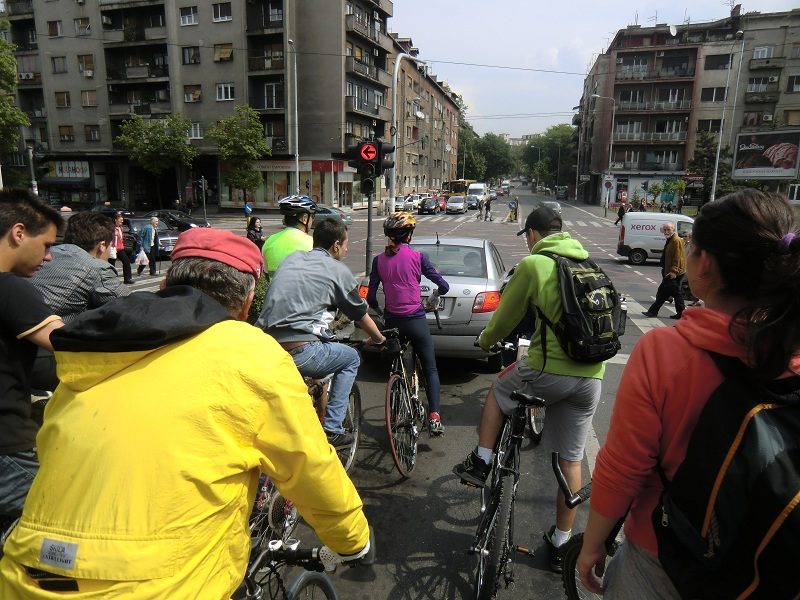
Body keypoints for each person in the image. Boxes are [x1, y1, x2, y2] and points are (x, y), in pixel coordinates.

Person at [0, 228, 371, 599]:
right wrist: (354, 542)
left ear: (166, 284)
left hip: (23, 572)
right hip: (156, 585)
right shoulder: (249, 353)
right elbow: (309, 466)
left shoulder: (96, 351)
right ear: (247, 301)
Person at [576, 190, 800, 597]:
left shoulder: (666, 353)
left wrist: (592, 545)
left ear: (707, 263)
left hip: (668, 558)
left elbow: (624, 468)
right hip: (774, 562)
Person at [453, 206, 604, 572]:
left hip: (547, 369)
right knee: (570, 460)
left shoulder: (534, 266)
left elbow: (505, 317)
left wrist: (487, 341)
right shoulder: (588, 265)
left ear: (533, 234)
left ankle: (481, 461)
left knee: (497, 392)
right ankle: (560, 544)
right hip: (592, 376)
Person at [257, 219, 385, 445]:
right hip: (301, 350)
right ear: (336, 245)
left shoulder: (292, 259)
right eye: (345, 245)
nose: (346, 250)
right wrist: (378, 338)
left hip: (265, 346)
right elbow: (360, 314)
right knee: (350, 359)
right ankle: (333, 427)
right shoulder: (338, 270)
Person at [0, 189, 64, 520]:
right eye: (47, 245)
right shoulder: (10, 287)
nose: (50, 257)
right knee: (55, 527)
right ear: (19, 232)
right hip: (8, 448)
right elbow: (70, 342)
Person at [367, 212, 450, 435]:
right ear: (409, 236)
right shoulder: (418, 257)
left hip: (393, 321)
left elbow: (371, 298)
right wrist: (433, 297)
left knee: (395, 366)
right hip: (416, 319)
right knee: (431, 368)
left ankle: (396, 411)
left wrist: (383, 313)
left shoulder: (379, 260)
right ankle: (434, 416)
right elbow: (444, 286)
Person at [32, 211, 130, 323]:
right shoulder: (96, 268)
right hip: (50, 335)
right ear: (102, 246)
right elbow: (133, 308)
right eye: (110, 245)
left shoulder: (49, 254)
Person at [641, 222, 686, 320]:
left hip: (674, 273)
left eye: (668, 229)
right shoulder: (670, 239)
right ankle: (680, 314)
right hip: (670, 271)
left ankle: (653, 312)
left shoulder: (676, 241)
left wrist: (674, 271)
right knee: (669, 293)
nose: (666, 231)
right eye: (665, 230)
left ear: (673, 230)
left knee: (668, 293)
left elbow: (678, 257)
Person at [262, 195, 315, 276]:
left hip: (275, 288)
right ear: (305, 219)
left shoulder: (269, 242)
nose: (313, 220)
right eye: (312, 216)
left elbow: (266, 272)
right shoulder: (312, 243)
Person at [108, 212, 133, 284]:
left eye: (122, 220)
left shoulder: (120, 228)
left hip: (120, 248)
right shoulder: (111, 228)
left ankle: (127, 279)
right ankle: (111, 280)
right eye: (120, 220)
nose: (122, 221)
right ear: (115, 220)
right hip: (113, 248)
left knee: (126, 262)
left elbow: (121, 238)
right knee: (112, 265)